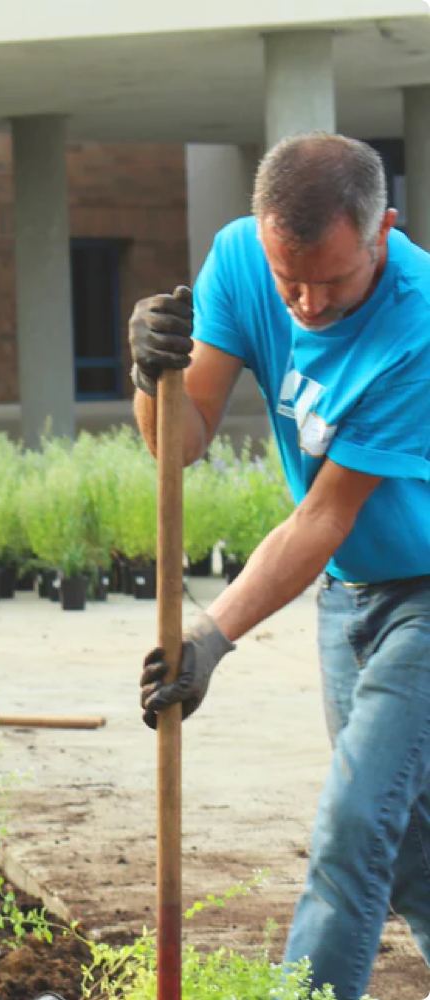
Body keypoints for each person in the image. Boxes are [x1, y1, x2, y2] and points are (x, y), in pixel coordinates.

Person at [130, 132, 430, 1000]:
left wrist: (213, 637)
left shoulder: (418, 322)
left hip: (422, 592)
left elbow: (326, 514)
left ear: (384, 233)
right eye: (286, 277)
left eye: (331, 281)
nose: (303, 302)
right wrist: (151, 372)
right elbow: (177, 447)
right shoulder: (239, 259)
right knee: (406, 851)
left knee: (354, 826)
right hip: (348, 599)